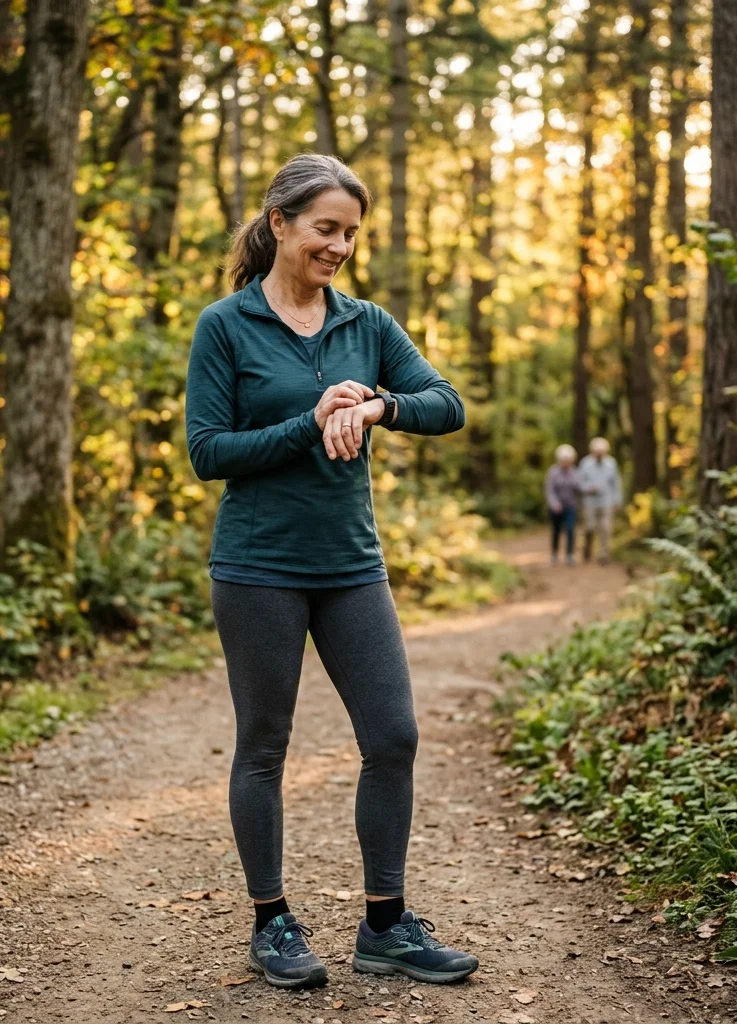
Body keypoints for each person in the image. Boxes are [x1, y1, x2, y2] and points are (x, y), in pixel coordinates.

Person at [184, 154, 478, 990]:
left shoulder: (367, 324)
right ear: (279, 223)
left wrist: (378, 404)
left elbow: (446, 402)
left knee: (393, 736)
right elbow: (208, 452)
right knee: (264, 747)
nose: (340, 245)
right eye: (325, 228)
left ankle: (385, 925)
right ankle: (271, 923)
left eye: (350, 232)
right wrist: (309, 424)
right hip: (257, 567)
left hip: (352, 566)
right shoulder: (226, 326)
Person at [578, 436, 623, 564]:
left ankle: (603, 554)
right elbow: (580, 482)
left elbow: (616, 483)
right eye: (597, 452)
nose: (599, 454)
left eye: (601, 452)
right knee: (589, 528)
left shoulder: (611, 464)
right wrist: (588, 488)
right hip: (589, 503)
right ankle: (587, 549)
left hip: (606, 502)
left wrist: (617, 500)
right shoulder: (585, 463)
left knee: (605, 528)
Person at [545, 444, 580, 566]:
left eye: (568, 461)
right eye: (564, 461)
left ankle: (569, 555)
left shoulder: (575, 472)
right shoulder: (553, 472)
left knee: (570, 529)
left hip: (570, 506)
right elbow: (550, 490)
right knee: (556, 531)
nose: (566, 463)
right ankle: (554, 554)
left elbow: (579, 488)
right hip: (556, 508)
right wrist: (554, 504)